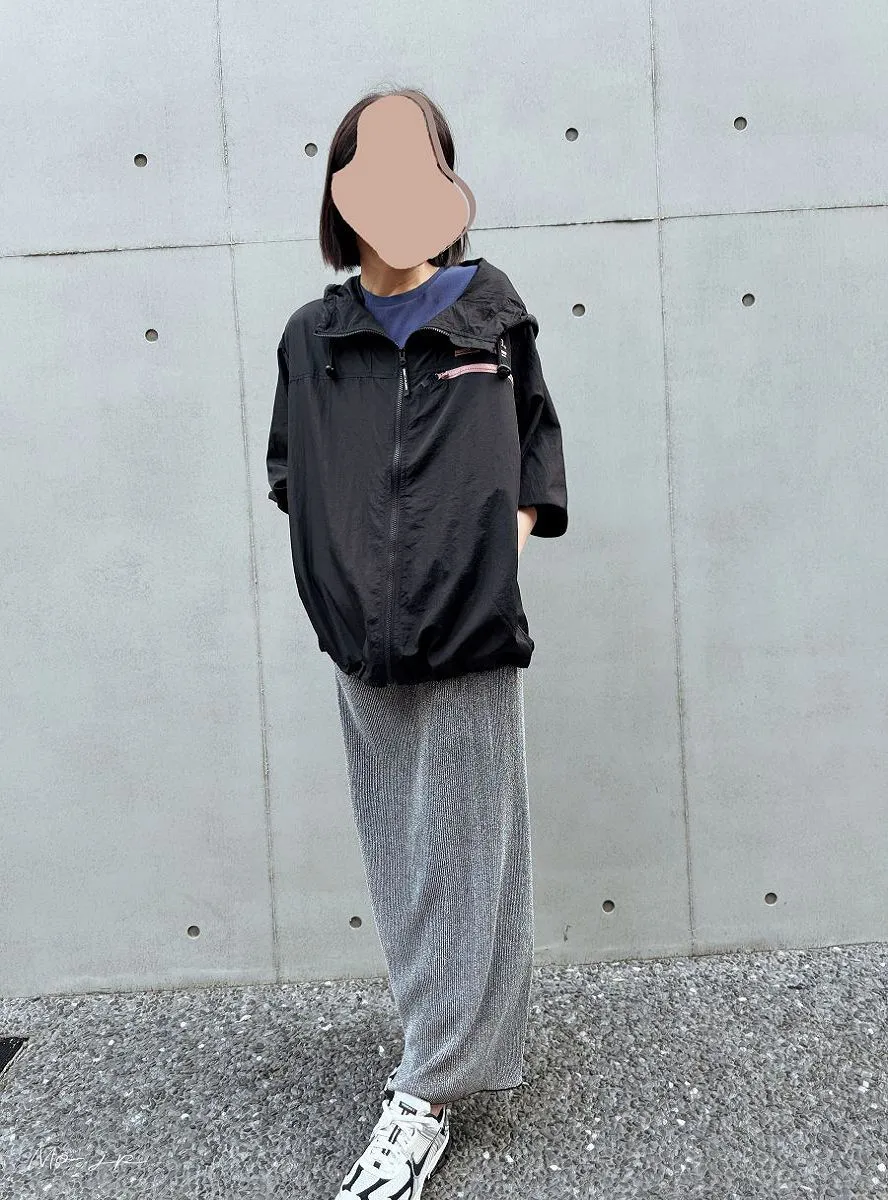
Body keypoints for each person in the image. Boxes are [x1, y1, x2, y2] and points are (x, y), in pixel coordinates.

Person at [266, 87, 568, 1199]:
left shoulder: (489, 313)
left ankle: (426, 1091)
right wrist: (335, 583)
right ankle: (444, 1043)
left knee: (472, 852)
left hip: (469, 629)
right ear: (341, 195)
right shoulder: (313, 335)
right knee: (400, 855)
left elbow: (535, 448)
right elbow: (292, 468)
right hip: (361, 642)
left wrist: (498, 550)